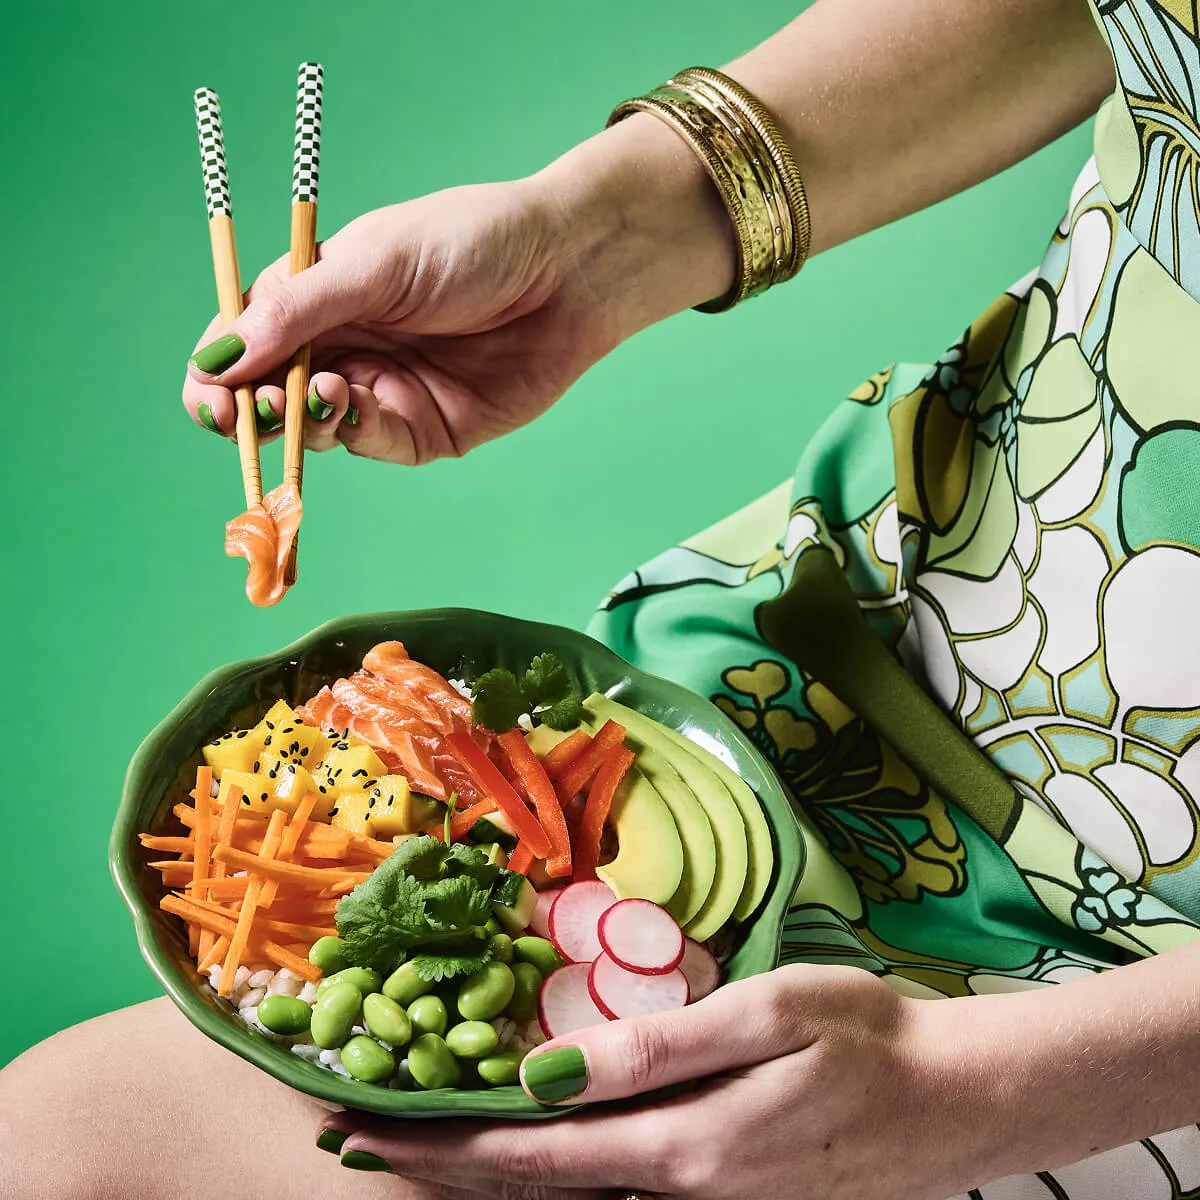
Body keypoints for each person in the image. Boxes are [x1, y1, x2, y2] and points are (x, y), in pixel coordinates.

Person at [5, 1, 1200, 1197]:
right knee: (57, 1143)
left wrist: (998, 1091)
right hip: (866, 614)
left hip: (1140, 1002)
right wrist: (602, 234)